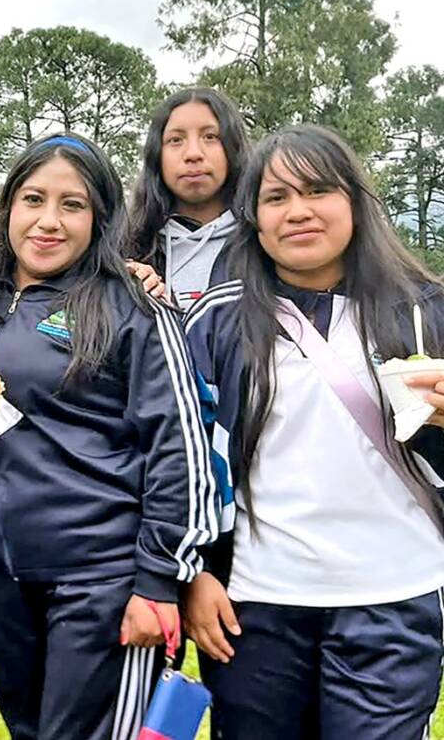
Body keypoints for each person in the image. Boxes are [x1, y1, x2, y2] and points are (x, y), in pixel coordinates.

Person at [0, 133, 216, 739]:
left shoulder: (131, 304)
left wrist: (158, 582)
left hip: (100, 582)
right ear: (8, 209)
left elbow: (180, 446)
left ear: (100, 216)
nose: (48, 221)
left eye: (72, 205)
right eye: (33, 199)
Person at [182, 125, 444, 738]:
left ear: (354, 201)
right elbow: (182, 461)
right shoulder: (216, 320)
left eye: (318, 191)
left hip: (396, 598)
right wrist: (195, 573)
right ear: (253, 217)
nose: (297, 212)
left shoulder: (425, 309)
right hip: (255, 607)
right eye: (276, 198)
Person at [125, 87, 248, 307]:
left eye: (210, 137)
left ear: (232, 148)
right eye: (175, 140)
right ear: (157, 156)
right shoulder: (128, 248)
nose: (193, 153)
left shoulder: (263, 244)